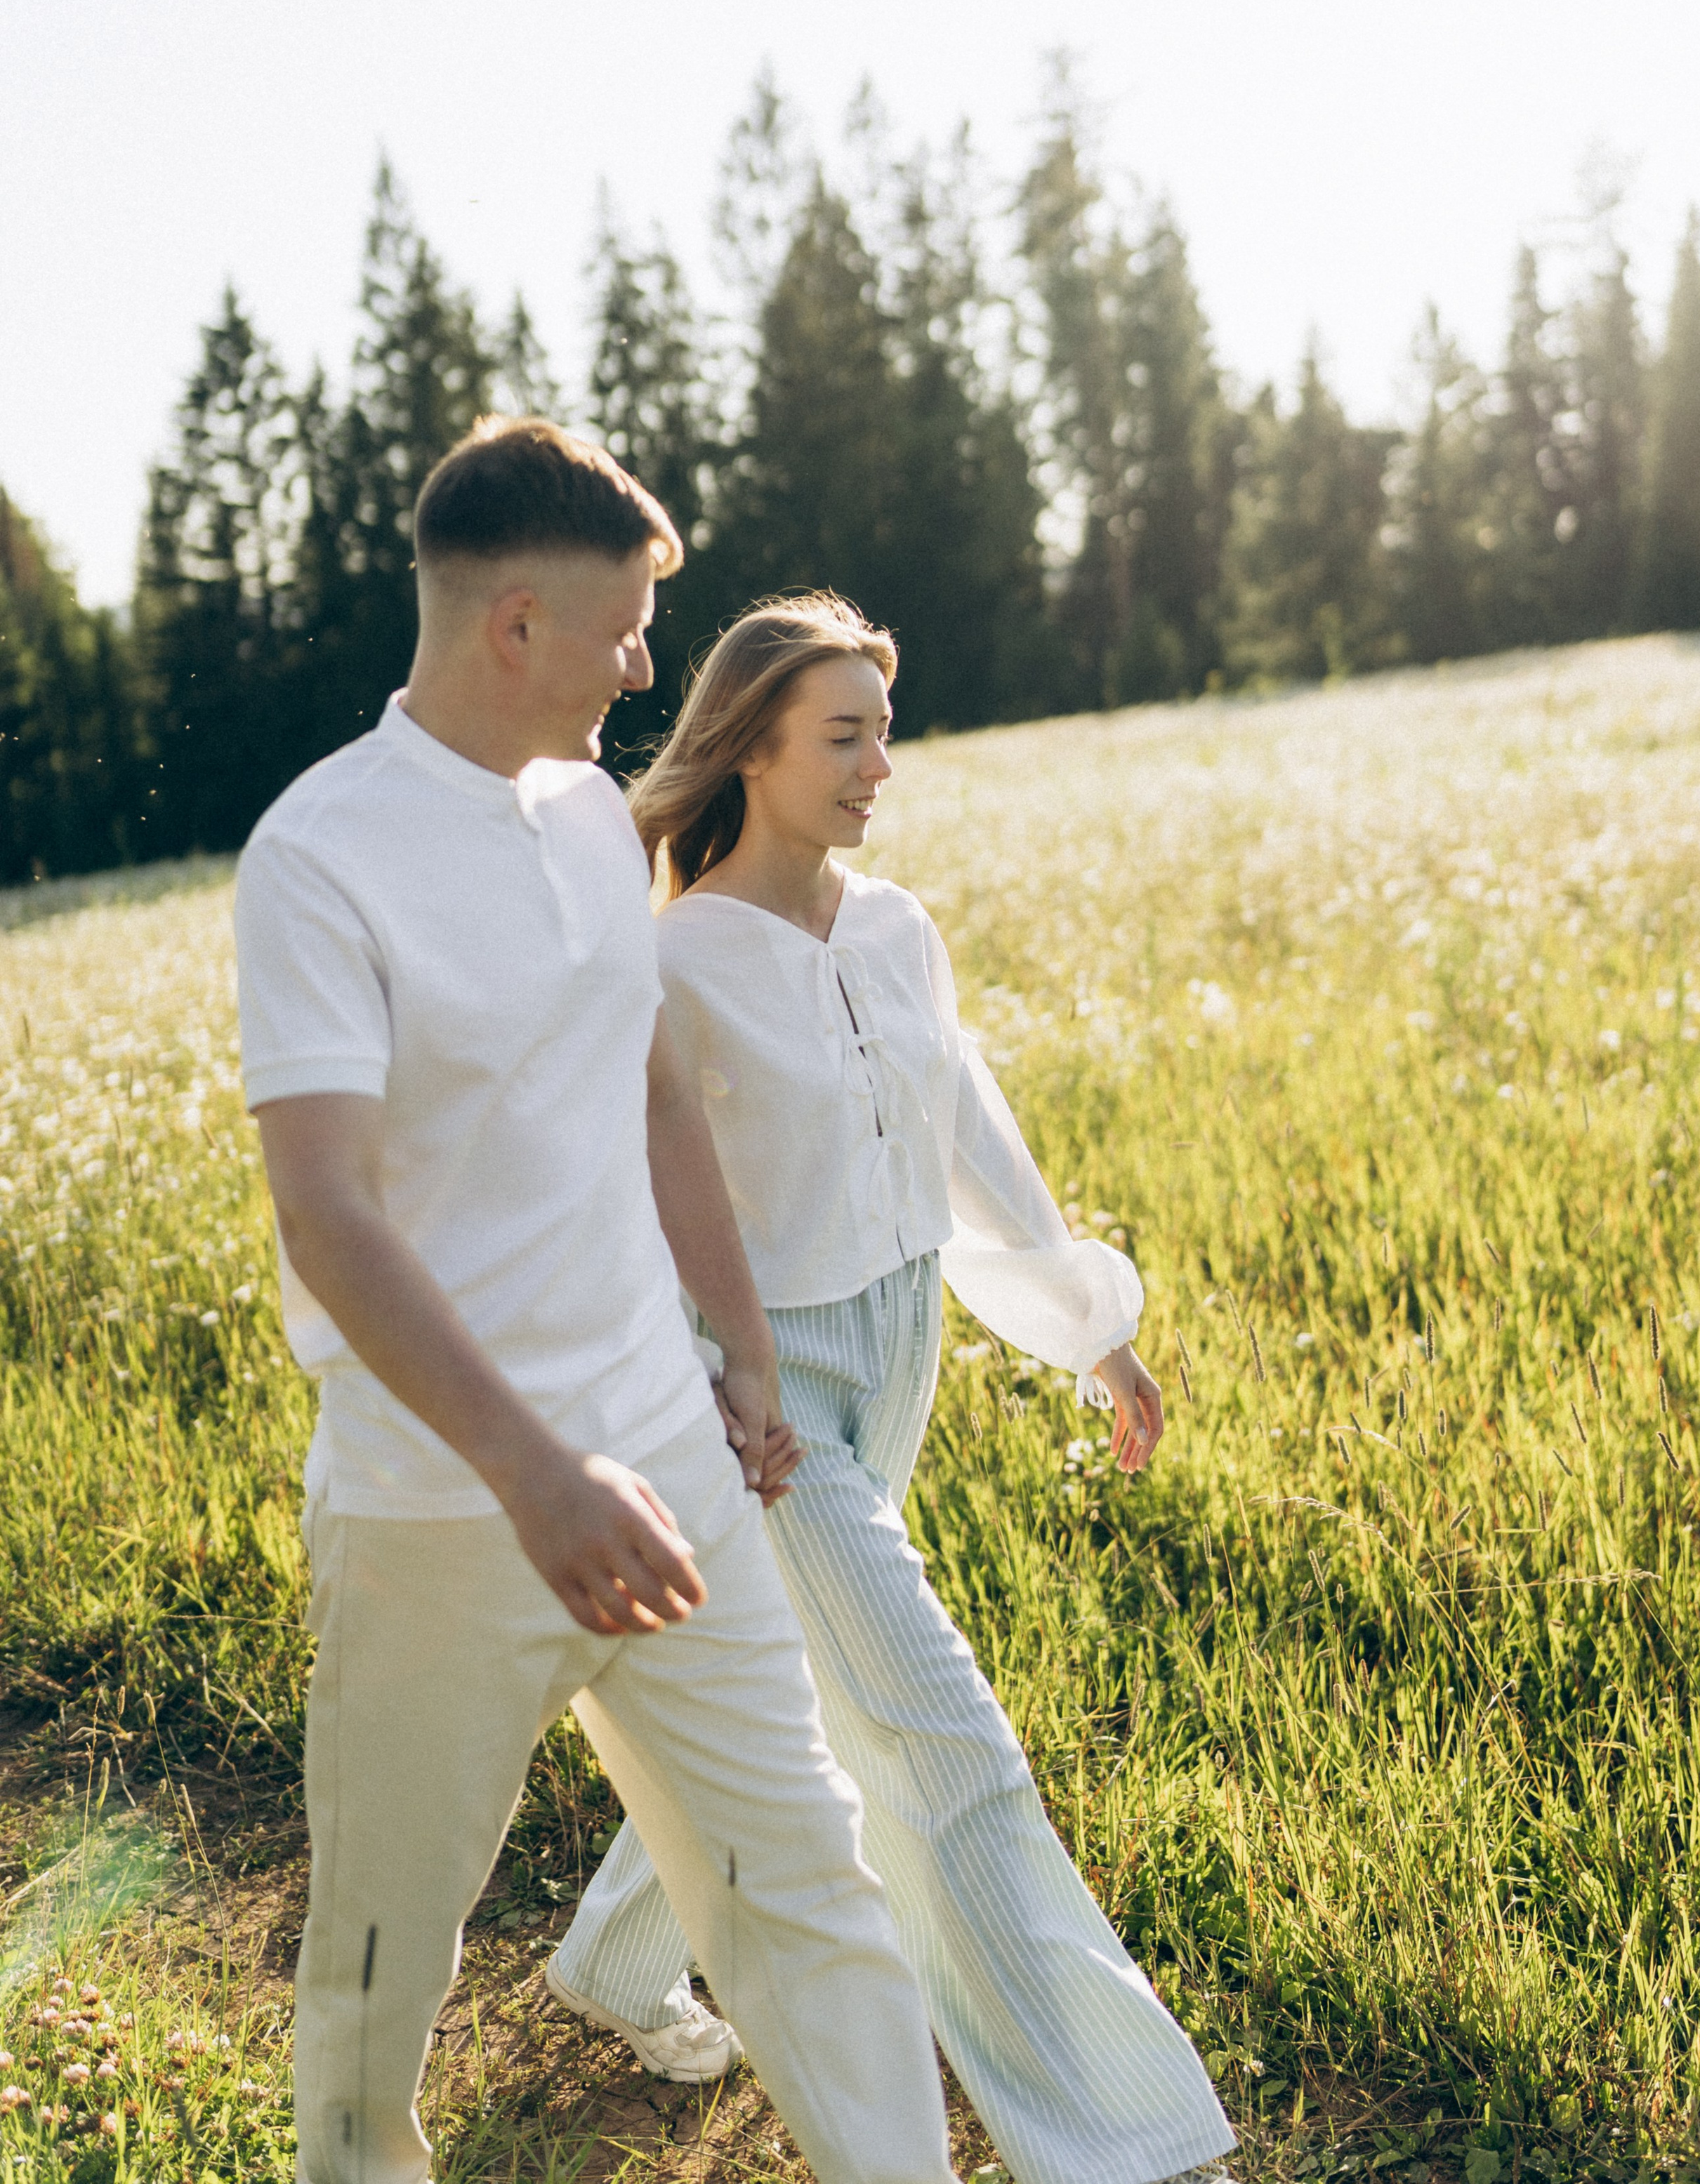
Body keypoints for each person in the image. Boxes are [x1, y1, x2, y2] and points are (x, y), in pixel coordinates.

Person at [235, 426, 958, 2184]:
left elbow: (647, 1097)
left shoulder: (583, 820)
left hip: (670, 1455)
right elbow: (325, 1212)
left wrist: (743, 1354)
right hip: (441, 1510)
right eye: (629, 624)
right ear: (515, 623)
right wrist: (535, 1476)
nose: (649, 663)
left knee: (805, 1865)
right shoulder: (317, 859)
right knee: (388, 1951)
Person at [546, 593, 1234, 2184]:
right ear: (751, 750)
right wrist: (691, 1394)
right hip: (756, 1390)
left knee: (789, 1692)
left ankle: (613, 1964)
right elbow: (622, 1196)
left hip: (898, 1336)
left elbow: (964, 1134)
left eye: (883, 730)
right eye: (843, 735)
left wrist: (1087, 1325)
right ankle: (1116, 2130)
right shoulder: (674, 962)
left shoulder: (896, 927)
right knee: (935, 1736)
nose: (877, 764)